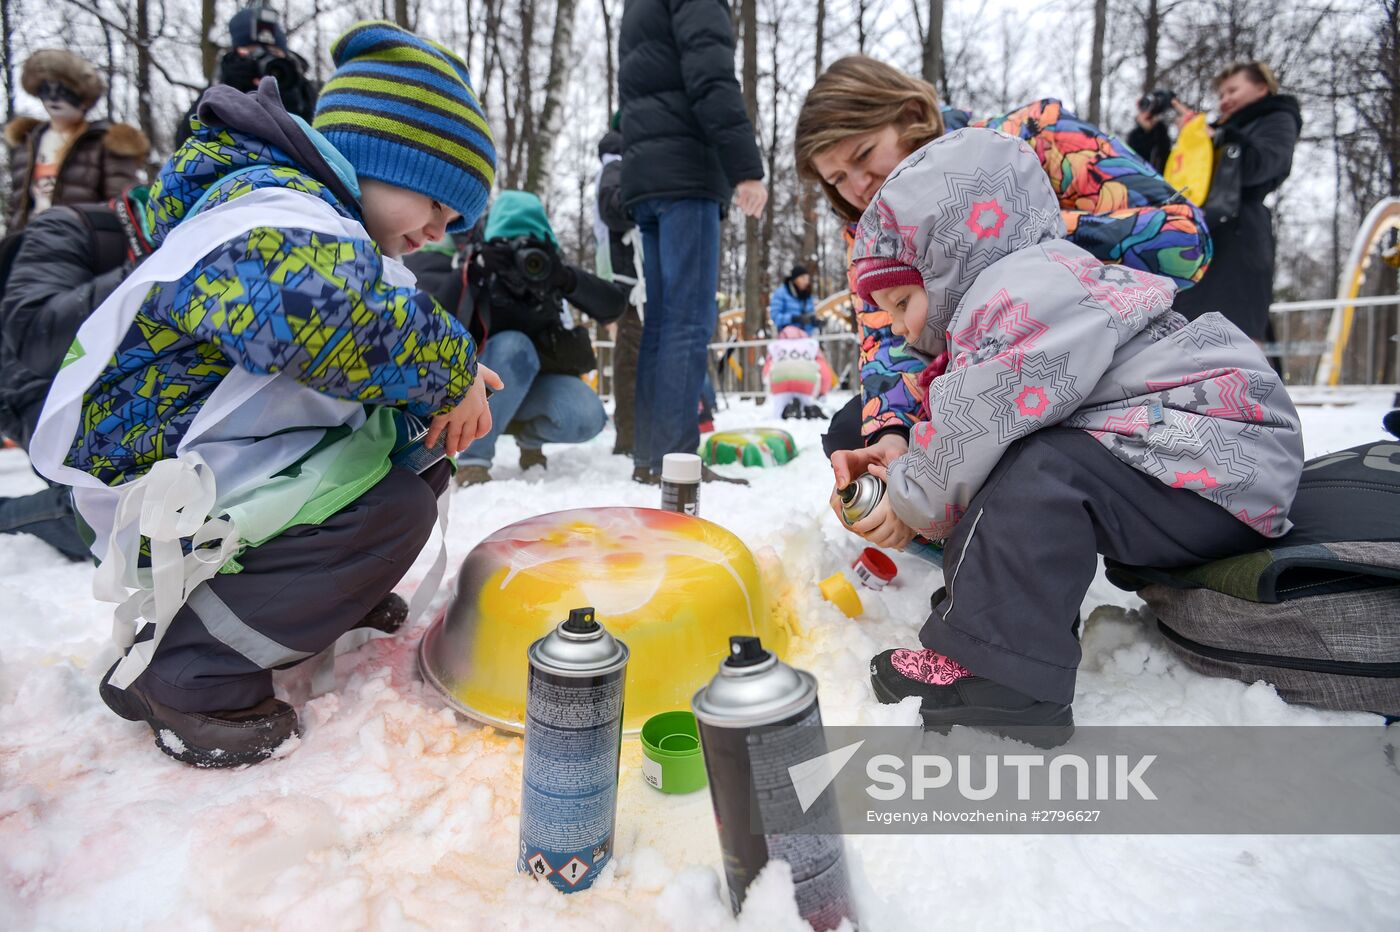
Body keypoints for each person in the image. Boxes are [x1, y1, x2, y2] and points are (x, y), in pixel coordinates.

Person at [29, 21, 500, 768]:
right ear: (383, 158)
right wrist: (446, 363)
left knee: (413, 454)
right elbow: (312, 312)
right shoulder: (276, 209)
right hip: (156, 484)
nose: (440, 232)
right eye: (439, 205)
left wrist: (432, 398)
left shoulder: (312, 218)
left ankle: (307, 595)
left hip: (211, 467)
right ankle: (188, 671)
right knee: (394, 509)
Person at [840, 129, 1302, 738]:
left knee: (1043, 471)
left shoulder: (1018, 295)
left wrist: (905, 492)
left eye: (902, 300)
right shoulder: (1035, 283)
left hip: (1210, 456)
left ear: (951, 257)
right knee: (1029, 462)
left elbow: (970, 431)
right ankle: (992, 622)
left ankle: (1004, 677)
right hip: (1201, 459)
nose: (898, 327)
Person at [794, 55, 1212, 460]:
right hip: (976, 382)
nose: (859, 186)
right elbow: (888, 337)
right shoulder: (872, 235)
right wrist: (890, 433)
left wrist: (1026, 231)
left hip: (1105, 358)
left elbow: (1188, 241)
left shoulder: (1033, 137)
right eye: (837, 179)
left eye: (864, 154)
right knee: (855, 433)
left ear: (912, 114)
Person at [619, 0, 768, 486]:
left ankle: (650, 456)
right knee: (687, 321)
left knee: (661, 322)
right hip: (685, 175)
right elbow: (710, 77)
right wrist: (745, 167)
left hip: (647, 174)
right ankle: (676, 458)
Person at [408, 190, 626, 484]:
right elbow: (421, 306)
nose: (522, 259)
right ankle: (474, 459)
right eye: (507, 242)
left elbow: (614, 306)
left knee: (587, 415)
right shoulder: (473, 263)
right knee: (514, 346)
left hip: (533, 384)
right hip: (475, 382)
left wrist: (565, 277)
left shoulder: (549, 269)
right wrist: (476, 272)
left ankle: (529, 440)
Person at [0, 186, 153, 560]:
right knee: (121, 517)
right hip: (30, 383)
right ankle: (11, 517)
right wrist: (157, 269)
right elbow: (37, 332)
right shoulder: (66, 225)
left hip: (113, 380)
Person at [1131, 63, 1301, 342]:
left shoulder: (1277, 118)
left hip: (1238, 244)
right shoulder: (1218, 131)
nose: (1225, 100)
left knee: (1230, 340)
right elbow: (1168, 182)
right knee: (1185, 336)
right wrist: (1151, 134)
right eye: (1221, 94)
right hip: (1198, 241)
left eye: (1233, 90)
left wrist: (1217, 138)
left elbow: (1262, 166)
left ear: (1262, 87)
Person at [4, 50, 148, 232]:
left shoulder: (106, 141)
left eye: (64, 90)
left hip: (80, 245)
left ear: (84, 97)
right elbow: (16, 207)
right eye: (46, 88)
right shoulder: (28, 142)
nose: (54, 97)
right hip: (26, 242)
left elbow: (124, 207)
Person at [173, 4, 318, 147]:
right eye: (254, 52)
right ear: (237, 55)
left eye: (273, 53)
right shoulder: (221, 87)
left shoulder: (306, 91)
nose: (266, 62)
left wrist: (291, 91)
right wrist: (230, 88)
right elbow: (184, 142)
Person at [594, 118, 645, 458]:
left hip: (624, 276)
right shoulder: (618, 165)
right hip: (627, 281)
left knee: (631, 356)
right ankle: (628, 437)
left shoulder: (616, 164)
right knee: (630, 357)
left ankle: (631, 433)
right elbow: (613, 209)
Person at [768, 264, 817, 335]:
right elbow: (775, 317)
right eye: (803, 278)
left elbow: (810, 315)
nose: (806, 282)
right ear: (795, 279)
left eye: (807, 279)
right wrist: (793, 319)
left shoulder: (807, 296)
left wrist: (814, 322)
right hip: (787, 338)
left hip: (805, 339)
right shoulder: (781, 293)